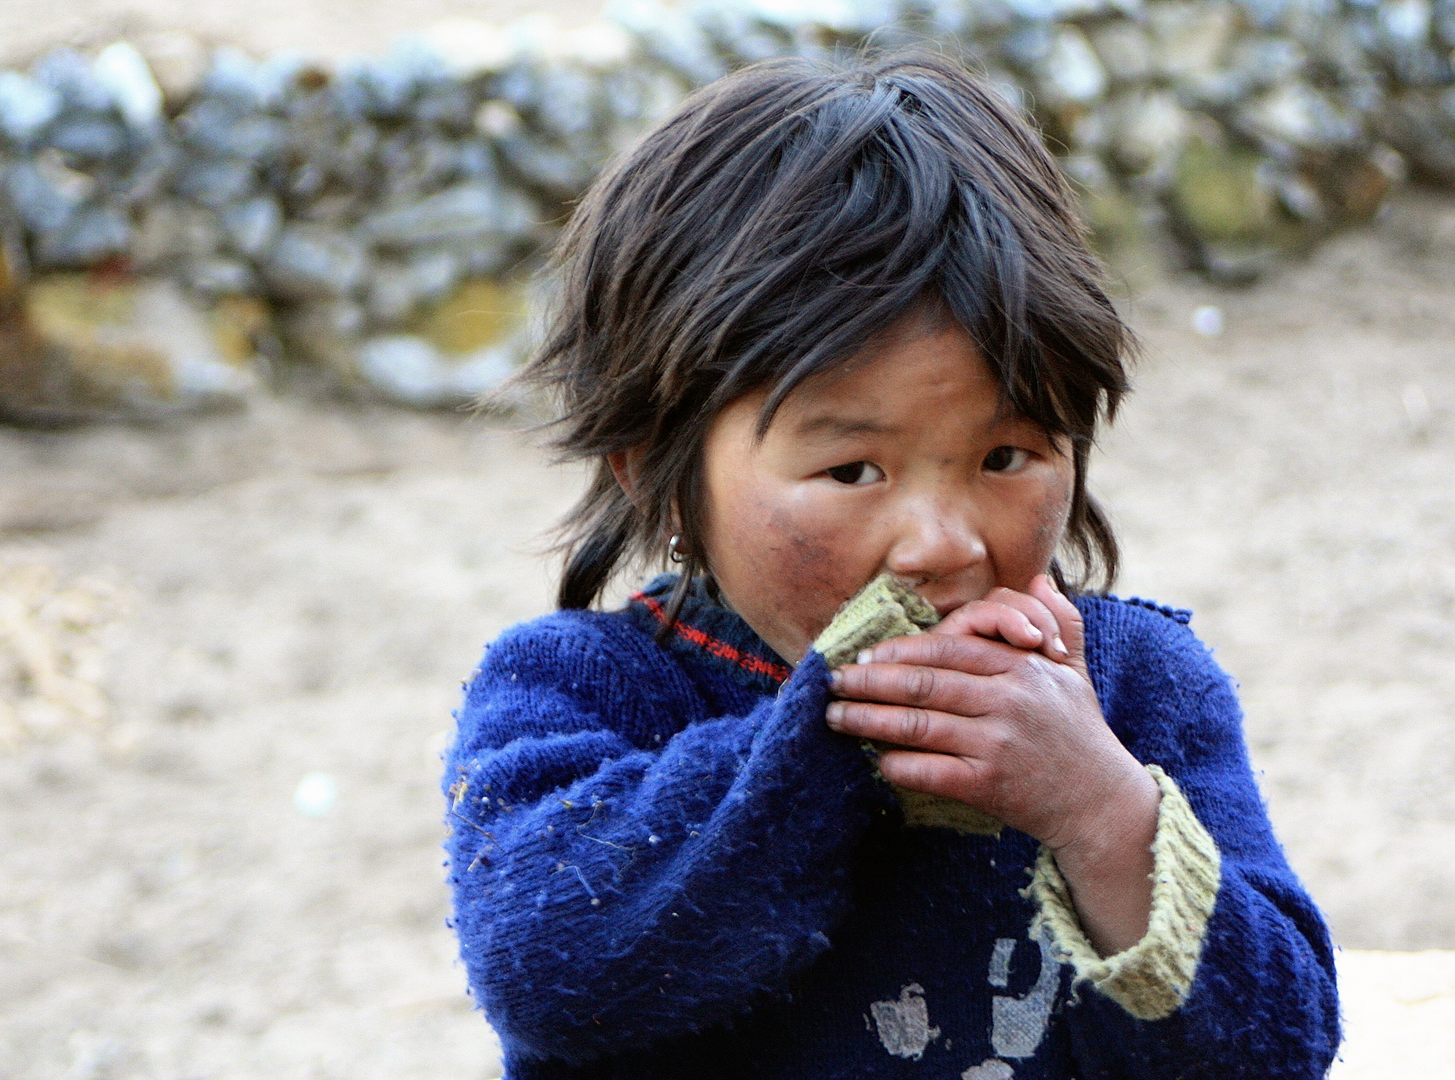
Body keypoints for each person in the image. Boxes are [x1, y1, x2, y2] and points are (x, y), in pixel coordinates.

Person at [443, 52, 1340, 1079]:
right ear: (658, 473)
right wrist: (837, 737)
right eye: (854, 468)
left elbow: (1277, 1051)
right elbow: (552, 977)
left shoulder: (1136, 692)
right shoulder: (574, 692)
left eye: (1006, 457)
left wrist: (1101, 812)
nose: (944, 543)